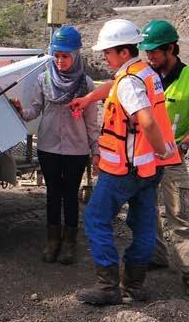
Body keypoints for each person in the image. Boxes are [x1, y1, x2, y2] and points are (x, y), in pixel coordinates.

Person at [72, 19, 179, 305]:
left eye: (107, 52)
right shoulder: (143, 71)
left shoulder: (130, 81)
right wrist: (88, 98)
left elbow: (145, 119)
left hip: (124, 170)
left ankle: (108, 287)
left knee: (96, 218)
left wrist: (162, 149)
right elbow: (115, 86)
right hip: (148, 168)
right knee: (144, 224)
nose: (104, 57)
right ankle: (135, 285)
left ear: (122, 52)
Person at [9, 25, 100, 265]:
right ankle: (52, 240)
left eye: (65, 56)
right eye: (57, 55)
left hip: (76, 150)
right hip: (48, 147)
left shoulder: (86, 84)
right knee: (52, 194)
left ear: (76, 54)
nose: (60, 61)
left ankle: (70, 242)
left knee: (70, 195)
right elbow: (34, 111)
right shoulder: (44, 78)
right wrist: (20, 111)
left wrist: (96, 152)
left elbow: (92, 123)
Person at [138, 19, 189, 299]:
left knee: (181, 215)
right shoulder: (146, 74)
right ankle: (156, 256)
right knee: (146, 211)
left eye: (155, 52)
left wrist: (184, 146)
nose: (150, 57)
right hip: (145, 156)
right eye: (146, 52)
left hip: (171, 158)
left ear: (171, 48)